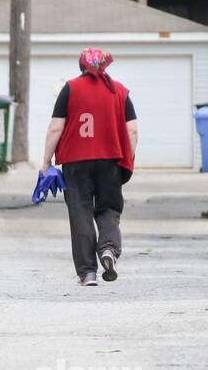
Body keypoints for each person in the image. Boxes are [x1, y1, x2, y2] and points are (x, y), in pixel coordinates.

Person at [40, 48, 139, 287]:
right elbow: (132, 130)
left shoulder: (70, 88)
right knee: (108, 209)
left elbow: (55, 128)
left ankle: (87, 273)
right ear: (105, 66)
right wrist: (129, 158)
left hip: (76, 161)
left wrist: (46, 162)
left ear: (81, 66)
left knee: (80, 211)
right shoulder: (120, 91)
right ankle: (108, 250)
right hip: (111, 160)